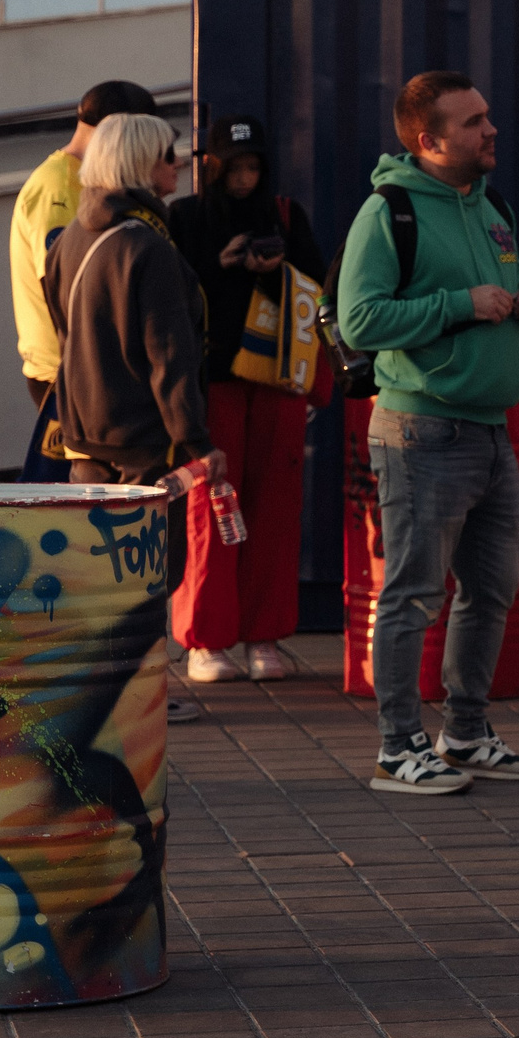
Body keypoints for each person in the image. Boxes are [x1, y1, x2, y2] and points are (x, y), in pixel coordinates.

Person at [337, 72, 519, 799]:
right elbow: (360, 319)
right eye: (473, 122)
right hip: (421, 430)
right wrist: (461, 304)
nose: (491, 130)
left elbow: (501, 294)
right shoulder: (387, 211)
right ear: (428, 140)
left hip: (492, 431)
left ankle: (465, 732)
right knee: (412, 593)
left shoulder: (490, 206)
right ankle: (399, 749)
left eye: (488, 116)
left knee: (492, 588)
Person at [165, 114, 327, 684]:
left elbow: (317, 288)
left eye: (253, 166)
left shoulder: (285, 215)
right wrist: (222, 264)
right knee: (212, 509)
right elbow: (171, 295)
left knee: (275, 509)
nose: (244, 178)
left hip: (276, 381)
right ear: (210, 167)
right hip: (212, 383)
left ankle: (264, 635)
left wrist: (273, 268)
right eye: (233, 167)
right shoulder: (183, 218)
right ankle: (205, 641)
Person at [42, 113, 222, 491]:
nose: (178, 161)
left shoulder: (69, 238)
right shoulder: (148, 248)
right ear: (139, 161)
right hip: (141, 443)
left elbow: (64, 336)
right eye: (166, 154)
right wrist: (197, 442)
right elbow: (168, 354)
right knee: (147, 550)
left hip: (82, 437)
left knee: (91, 548)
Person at [10, 79, 162, 476]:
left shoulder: (77, 180)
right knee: (67, 513)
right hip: (64, 373)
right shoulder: (62, 186)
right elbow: (68, 287)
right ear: (115, 128)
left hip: (78, 369)